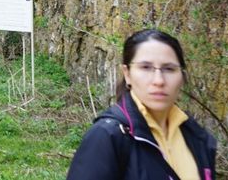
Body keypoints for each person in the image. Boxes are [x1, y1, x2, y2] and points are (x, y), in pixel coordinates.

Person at [67, 29, 216, 180]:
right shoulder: (108, 136)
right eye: (145, 67)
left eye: (169, 69)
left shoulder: (197, 137)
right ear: (127, 74)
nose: (159, 80)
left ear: (182, 77)